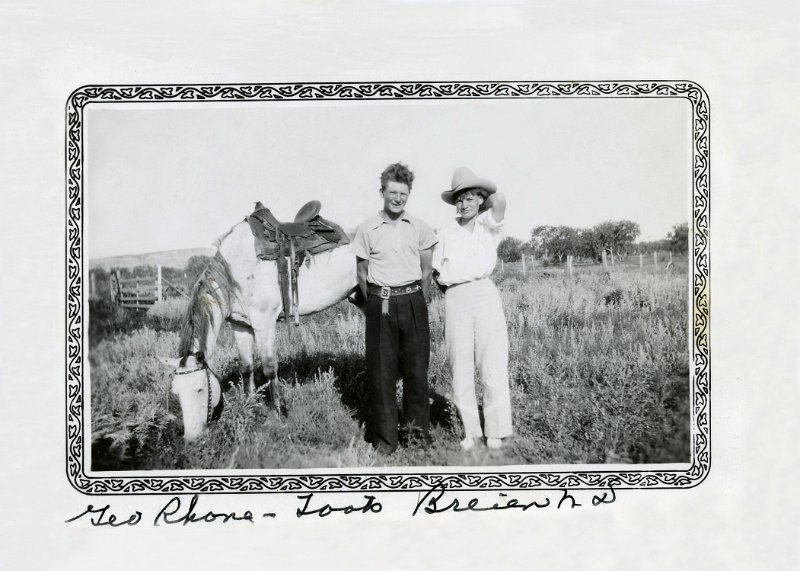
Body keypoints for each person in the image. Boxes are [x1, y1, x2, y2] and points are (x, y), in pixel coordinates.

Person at [352, 162, 438, 454]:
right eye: (392, 192)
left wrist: (416, 301)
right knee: (381, 373)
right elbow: (361, 275)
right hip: (380, 304)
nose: (398, 198)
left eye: (403, 193)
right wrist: (376, 303)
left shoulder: (421, 228)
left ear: (409, 193)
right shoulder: (367, 229)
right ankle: (385, 442)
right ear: (382, 192)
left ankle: (415, 438)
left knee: (416, 371)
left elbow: (427, 273)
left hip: (413, 302)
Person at [432, 166, 512, 450]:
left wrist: (483, 195)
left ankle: (496, 429)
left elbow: (499, 200)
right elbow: (436, 273)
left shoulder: (488, 227)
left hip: (484, 293)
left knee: (492, 361)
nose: (463, 204)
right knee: (460, 365)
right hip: (455, 296)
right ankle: (471, 432)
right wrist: (454, 293)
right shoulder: (444, 232)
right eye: (459, 199)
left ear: (480, 199)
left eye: (470, 198)